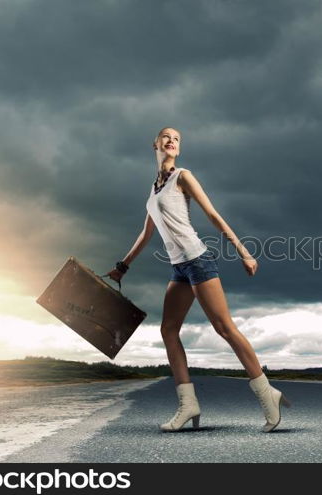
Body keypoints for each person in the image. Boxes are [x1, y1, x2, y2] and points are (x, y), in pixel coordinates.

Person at [104, 127, 291, 433]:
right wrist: (123, 266)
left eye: (176, 138)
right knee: (169, 330)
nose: (171, 141)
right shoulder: (154, 189)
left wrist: (244, 251)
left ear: (179, 148)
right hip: (178, 267)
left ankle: (266, 392)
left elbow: (213, 214)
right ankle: (188, 404)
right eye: (166, 136)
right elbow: (147, 233)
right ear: (155, 144)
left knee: (224, 328)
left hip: (198, 260)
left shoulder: (183, 177)